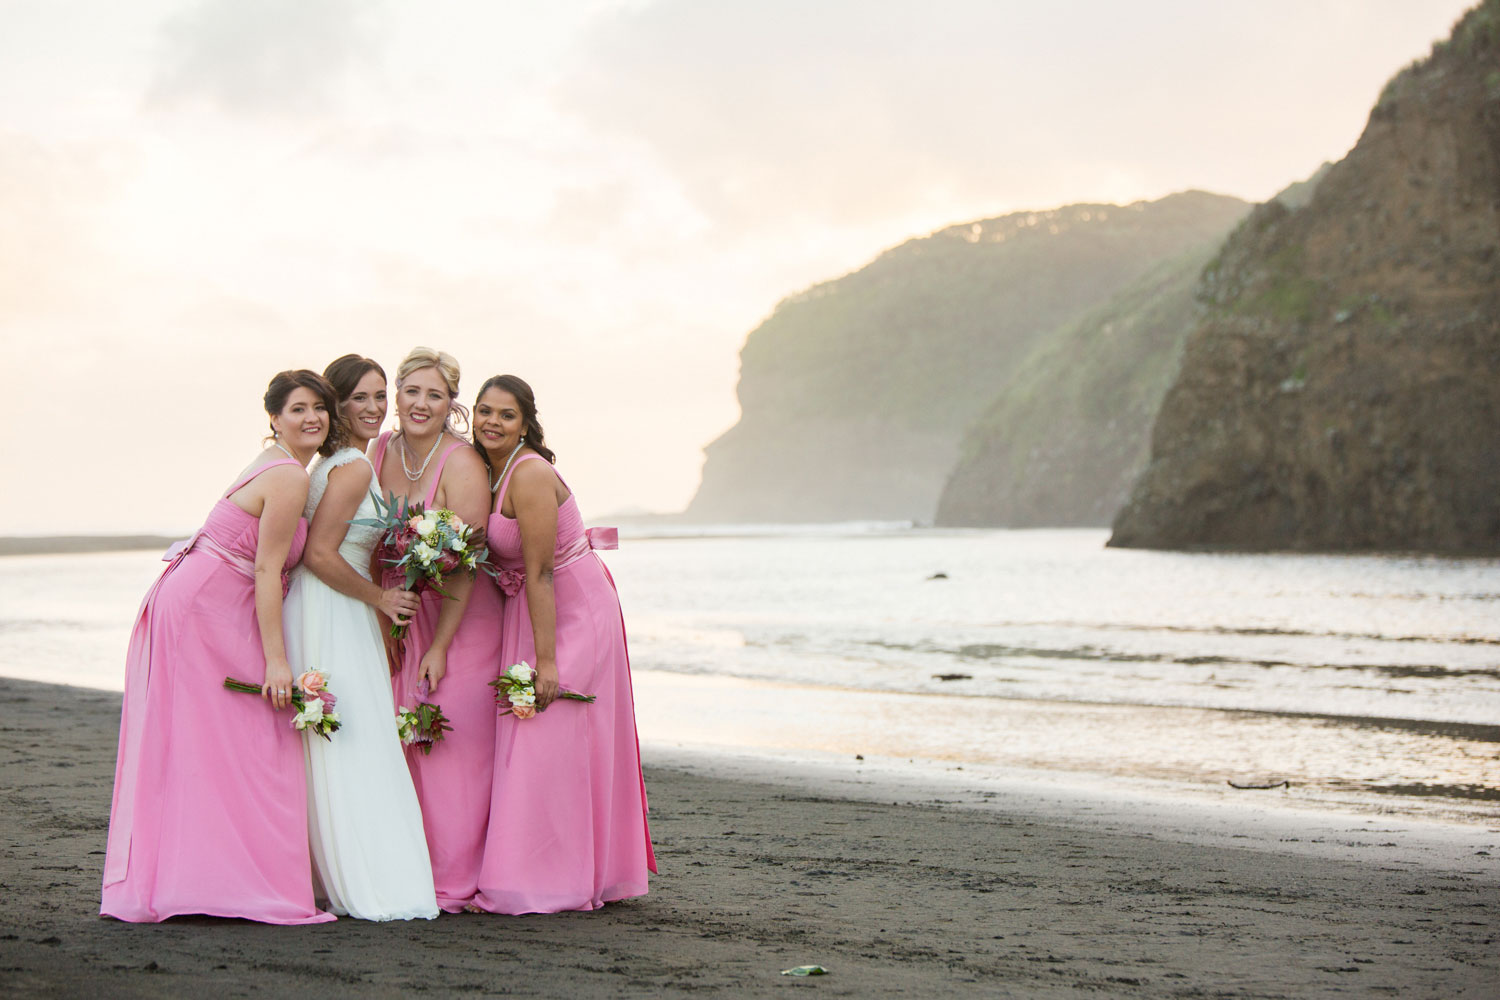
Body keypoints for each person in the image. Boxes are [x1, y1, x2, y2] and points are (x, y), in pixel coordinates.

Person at [101, 370, 340, 924]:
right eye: (299, 408)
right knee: (245, 731)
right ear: (275, 418)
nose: (312, 418)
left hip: (198, 597)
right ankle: (223, 880)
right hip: (207, 608)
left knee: (203, 738)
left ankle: (196, 877)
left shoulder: (276, 465)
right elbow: (264, 567)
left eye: (320, 409)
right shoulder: (288, 478)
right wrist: (278, 660)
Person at [470, 375, 655, 914]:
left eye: (506, 415)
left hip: (572, 611)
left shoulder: (528, 475)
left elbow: (543, 572)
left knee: (546, 729)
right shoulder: (493, 470)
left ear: (526, 423)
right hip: (537, 609)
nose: (492, 423)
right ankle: (567, 872)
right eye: (484, 411)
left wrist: (547, 662)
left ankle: (547, 882)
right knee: (540, 734)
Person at [283, 354, 438, 921]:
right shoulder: (350, 468)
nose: (374, 409)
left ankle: (332, 870)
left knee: (340, 738)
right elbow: (321, 554)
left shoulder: (339, 463)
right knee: (354, 739)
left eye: (381, 397)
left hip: (330, 608)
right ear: (337, 406)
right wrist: (380, 600)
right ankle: (366, 874)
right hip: (334, 609)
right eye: (359, 399)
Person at [370, 346, 501, 912]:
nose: (421, 404)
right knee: (400, 740)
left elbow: (468, 561)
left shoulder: (464, 464)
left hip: (459, 618)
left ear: (453, 405)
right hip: (395, 609)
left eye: (435, 395)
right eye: (412, 391)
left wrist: (441, 644)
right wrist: (380, 613)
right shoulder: (378, 450)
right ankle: (406, 864)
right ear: (396, 395)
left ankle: (454, 875)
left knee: (449, 742)